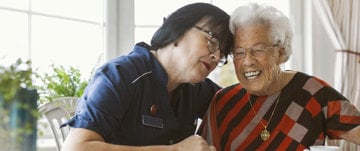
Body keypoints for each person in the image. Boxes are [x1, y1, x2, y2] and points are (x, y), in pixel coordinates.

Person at [61, 2, 233, 151]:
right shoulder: (119, 76)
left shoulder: (197, 89)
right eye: (212, 41)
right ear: (178, 30)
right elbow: (76, 147)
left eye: (223, 53)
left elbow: (242, 104)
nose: (216, 56)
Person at [200, 3, 360, 151]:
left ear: (281, 52)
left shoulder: (313, 92)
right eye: (239, 53)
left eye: (258, 50)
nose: (247, 61)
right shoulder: (223, 102)